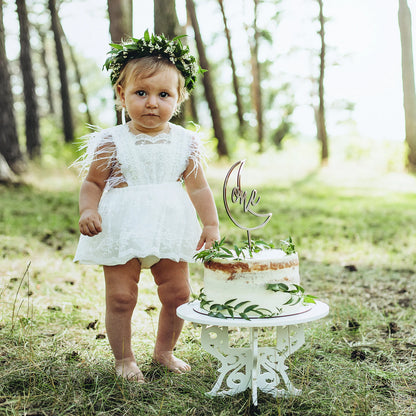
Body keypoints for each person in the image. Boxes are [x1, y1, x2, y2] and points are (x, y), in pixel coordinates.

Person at [73, 31, 220, 383]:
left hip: (170, 225)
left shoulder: (186, 142)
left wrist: (211, 225)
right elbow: (92, 183)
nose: (152, 102)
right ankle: (124, 359)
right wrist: (88, 210)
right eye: (141, 93)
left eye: (163, 94)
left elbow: (198, 186)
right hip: (122, 227)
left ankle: (164, 350)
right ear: (122, 95)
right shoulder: (112, 141)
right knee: (122, 296)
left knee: (178, 293)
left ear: (179, 98)